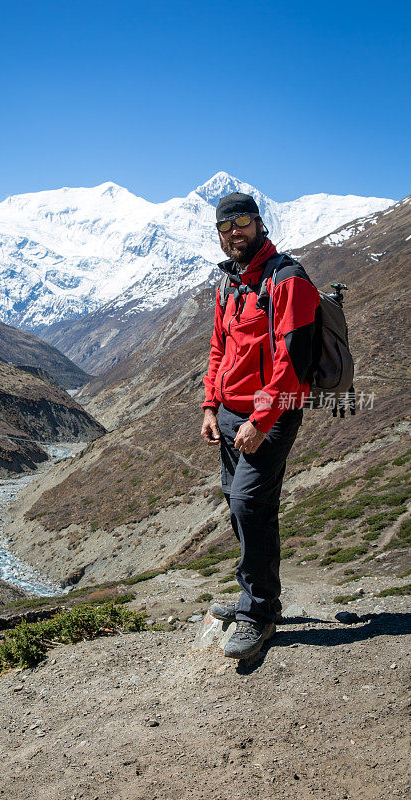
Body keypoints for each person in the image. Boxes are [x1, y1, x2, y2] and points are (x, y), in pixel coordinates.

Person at [200, 191, 320, 660]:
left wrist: (261, 419)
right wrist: (210, 406)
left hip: (271, 414)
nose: (235, 233)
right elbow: (218, 349)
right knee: (239, 503)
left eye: (243, 223)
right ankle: (258, 596)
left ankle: (259, 614)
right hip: (229, 416)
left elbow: (293, 361)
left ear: (259, 223)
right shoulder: (229, 285)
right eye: (226, 227)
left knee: (250, 503)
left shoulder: (287, 280)